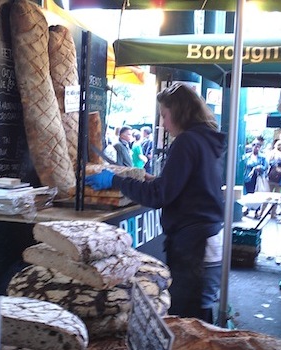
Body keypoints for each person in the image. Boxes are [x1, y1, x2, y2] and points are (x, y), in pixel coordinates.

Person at [85, 82, 225, 323]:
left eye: (164, 114)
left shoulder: (186, 142)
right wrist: (152, 179)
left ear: (179, 112)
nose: (163, 122)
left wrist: (116, 180)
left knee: (188, 318)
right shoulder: (204, 140)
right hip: (208, 238)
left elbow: (158, 196)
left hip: (194, 244)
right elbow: (187, 185)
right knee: (201, 312)